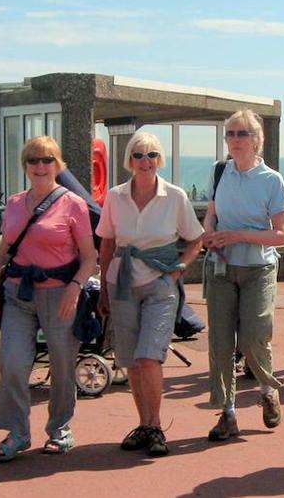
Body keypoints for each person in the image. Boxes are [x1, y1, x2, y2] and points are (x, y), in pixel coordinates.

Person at [0, 136, 97, 462]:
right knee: (12, 363)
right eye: (33, 160)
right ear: (25, 166)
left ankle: (60, 428)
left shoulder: (73, 204)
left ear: (58, 165)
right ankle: (17, 433)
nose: (40, 166)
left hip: (60, 294)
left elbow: (90, 258)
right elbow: (4, 252)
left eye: (47, 160)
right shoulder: (16, 203)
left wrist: (75, 288)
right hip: (18, 294)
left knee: (62, 365)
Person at [97, 131, 204, 456]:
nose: (146, 161)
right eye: (139, 155)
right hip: (123, 282)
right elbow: (107, 243)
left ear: (161, 161)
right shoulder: (115, 197)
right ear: (129, 160)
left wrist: (180, 269)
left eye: (152, 155)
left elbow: (196, 239)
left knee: (149, 356)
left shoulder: (174, 196)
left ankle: (156, 426)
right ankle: (143, 424)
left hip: (160, 284)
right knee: (130, 359)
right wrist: (103, 287)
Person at [202, 110, 284, 441]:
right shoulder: (219, 171)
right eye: (230, 134)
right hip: (222, 267)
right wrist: (209, 234)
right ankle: (227, 413)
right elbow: (211, 215)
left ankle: (268, 389)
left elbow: (283, 234)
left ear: (257, 139)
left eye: (242, 134)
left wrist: (238, 235)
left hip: (259, 269)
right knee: (221, 342)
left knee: (255, 337)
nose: (235, 140)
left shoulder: (272, 180)